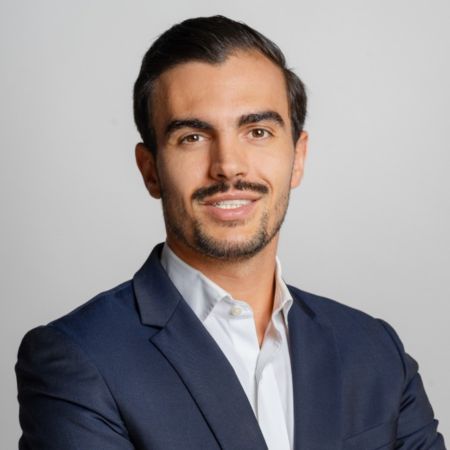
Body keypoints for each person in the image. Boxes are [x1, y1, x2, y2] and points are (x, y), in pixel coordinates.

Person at [16, 15, 445, 450]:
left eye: (257, 131)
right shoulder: (78, 360)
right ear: (150, 170)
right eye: (193, 137)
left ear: (297, 158)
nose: (228, 166)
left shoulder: (375, 351)